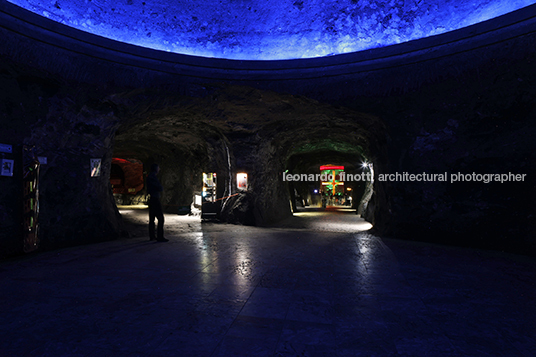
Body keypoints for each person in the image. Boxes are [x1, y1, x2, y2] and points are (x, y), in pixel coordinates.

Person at [146, 163, 168, 242]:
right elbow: (160, 188)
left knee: (152, 219)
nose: (159, 169)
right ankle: (160, 236)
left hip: (151, 198)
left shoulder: (149, 176)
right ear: (155, 169)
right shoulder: (153, 177)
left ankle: (152, 236)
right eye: (158, 168)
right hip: (155, 199)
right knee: (161, 218)